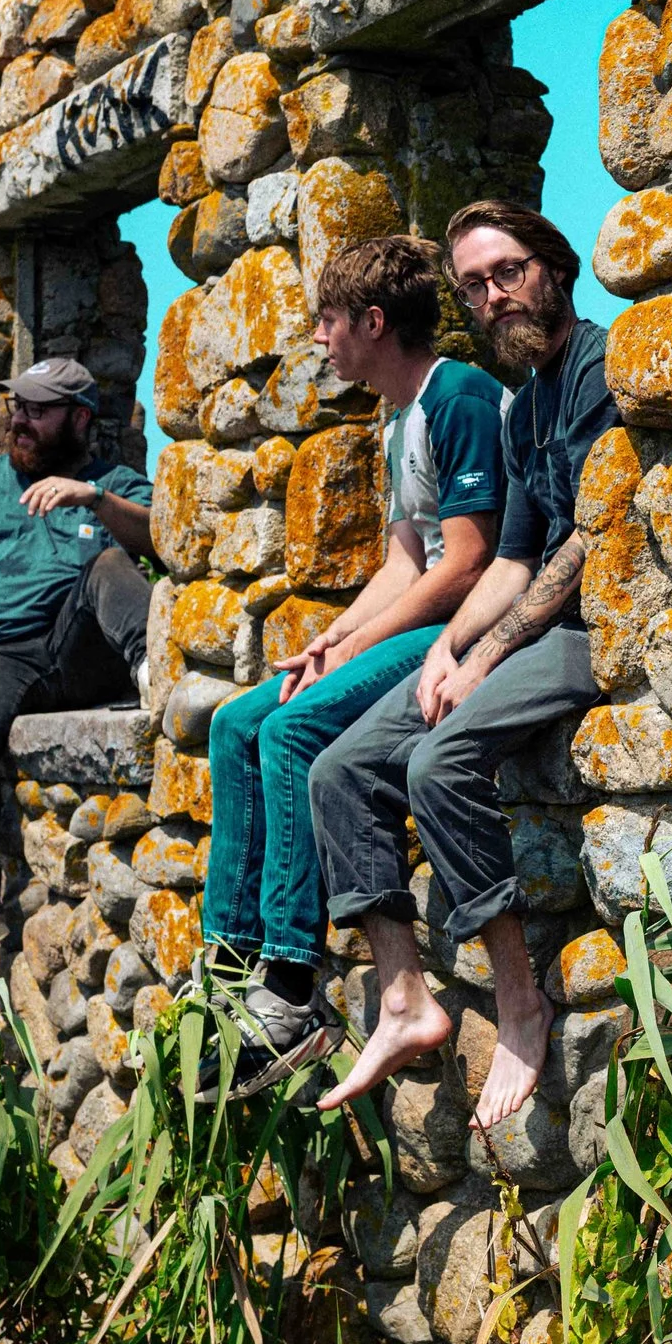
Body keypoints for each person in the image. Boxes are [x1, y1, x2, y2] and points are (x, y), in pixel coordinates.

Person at [306, 198, 619, 1131]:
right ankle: (405, 997)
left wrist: (486, 653)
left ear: (553, 266)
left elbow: (583, 549)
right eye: (477, 285)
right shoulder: (523, 410)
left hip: (588, 629)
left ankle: (522, 1005)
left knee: (438, 760)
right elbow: (511, 557)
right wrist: (447, 645)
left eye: (509, 271)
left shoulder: (602, 369)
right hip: (526, 618)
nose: (495, 296)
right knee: (341, 767)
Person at [196, 233, 506, 1099]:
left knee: (294, 732)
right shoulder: (395, 415)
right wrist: (333, 640)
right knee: (236, 722)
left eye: (329, 320)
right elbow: (404, 560)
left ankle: (291, 980)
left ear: (374, 321)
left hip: (464, 626)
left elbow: (467, 564)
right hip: (420, 608)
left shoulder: (460, 396)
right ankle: (229, 966)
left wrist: (362, 647)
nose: (321, 338)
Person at [0, 357, 155, 977]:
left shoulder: (116, 481)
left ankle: (156, 671)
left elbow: (159, 539)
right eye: (17, 406)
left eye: (37, 410)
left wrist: (94, 498)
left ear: (79, 418)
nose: (20, 419)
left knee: (105, 565)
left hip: (82, 652)